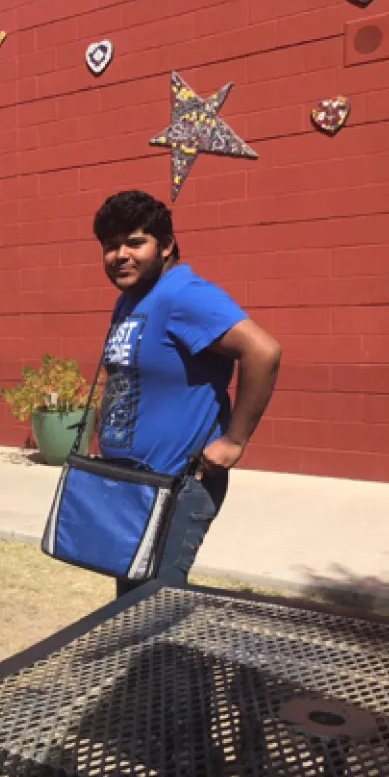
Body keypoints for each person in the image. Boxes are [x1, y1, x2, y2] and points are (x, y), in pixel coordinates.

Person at [92, 190, 281, 598]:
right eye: (110, 246)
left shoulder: (184, 295)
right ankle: (146, 663)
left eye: (135, 242)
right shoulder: (130, 301)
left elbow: (262, 351)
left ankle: (166, 665)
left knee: (156, 598)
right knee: (131, 596)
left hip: (177, 482)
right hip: (131, 482)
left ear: (166, 246)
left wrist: (234, 440)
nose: (120, 255)